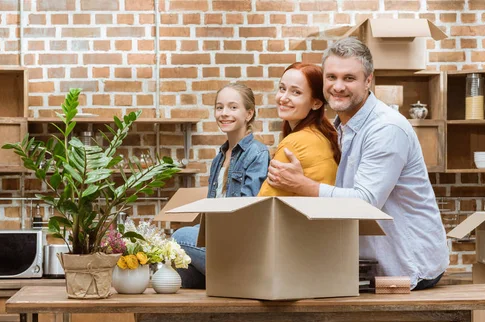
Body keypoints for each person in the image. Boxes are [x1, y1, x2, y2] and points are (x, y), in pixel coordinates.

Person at [266, 37, 448, 290]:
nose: (338, 86)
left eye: (349, 78)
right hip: (369, 266)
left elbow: (365, 203)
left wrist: (302, 185)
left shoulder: (385, 128)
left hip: (407, 268)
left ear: (368, 80)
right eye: (331, 77)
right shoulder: (341, 128)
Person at [172, 82, 270, 288]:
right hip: (216, 238)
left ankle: (240, 276)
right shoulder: (219, 158)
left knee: (179, 237)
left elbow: (249, 210)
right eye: (219, 107)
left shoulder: (257, 153)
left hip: (238, 244)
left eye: (233, 107)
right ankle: (225, 282)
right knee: (174, 272)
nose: (224, 113)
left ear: (249, 114)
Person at [258, 62, 340, 196]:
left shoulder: (294, 143)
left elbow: (263, 205)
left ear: (316, 103)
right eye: (282, 88)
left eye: (296, 92)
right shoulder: (322, 135)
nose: (283, 98)